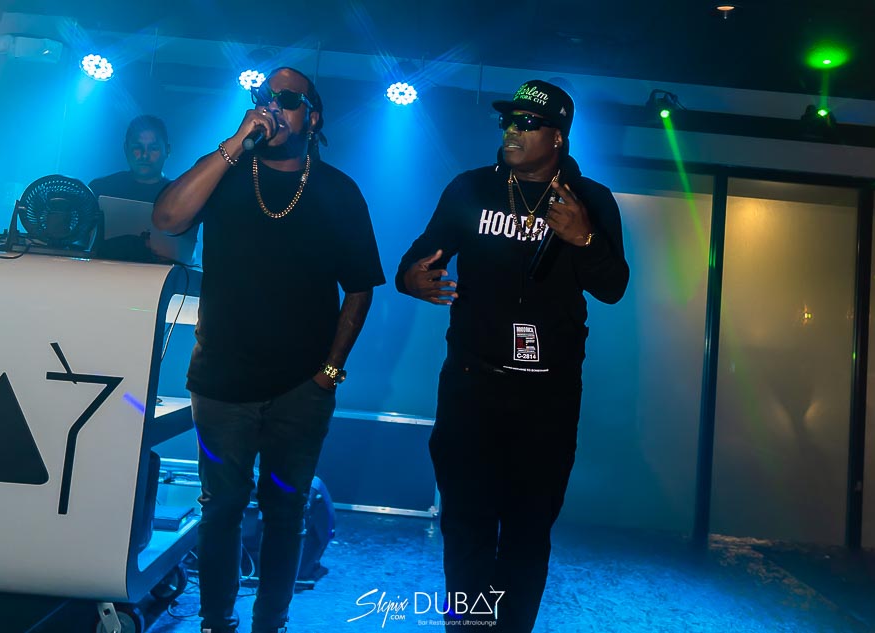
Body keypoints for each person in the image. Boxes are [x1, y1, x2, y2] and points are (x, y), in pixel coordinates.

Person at [153, 67, 384, 633]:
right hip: (221, 383)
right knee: (221, 508)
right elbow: (167, 218)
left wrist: (329, 373)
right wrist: (236, 141)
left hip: (300, 389)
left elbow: (360, 288)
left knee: (286, 511)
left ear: (313, 117)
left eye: (287, 99)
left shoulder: (338, 192)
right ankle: (216, 622)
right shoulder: (228, 172)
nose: (273, 106)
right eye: (265, 97)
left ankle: (270, 623)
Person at [396, 79, 630, 632]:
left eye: (527, 123)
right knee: (466, 524)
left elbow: (613, 286)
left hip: (547, 395)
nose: (511, 130)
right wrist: (411, 279)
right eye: (508, 120)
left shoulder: (591, 200)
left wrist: (585, 240)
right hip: (472, 385)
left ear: (558, 136)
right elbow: (418, 258)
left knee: (527, 531)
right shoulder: (471, 188)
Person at [90, 114, 195, 262]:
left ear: (167, 150)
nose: (145, 155)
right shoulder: (100, 188)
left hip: (161, 275)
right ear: (126, 148)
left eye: (153, 148)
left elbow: (187, 253)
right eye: (137, 147)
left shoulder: (181, 196)